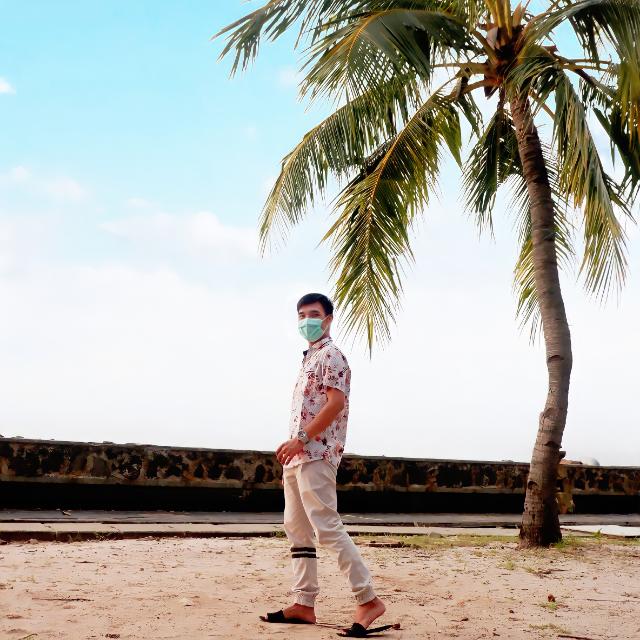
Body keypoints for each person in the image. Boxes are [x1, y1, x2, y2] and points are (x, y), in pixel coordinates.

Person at [259, 292, 387, 636]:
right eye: (301, 315)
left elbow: (335, 404)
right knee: (297, 528)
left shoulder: (332, 355)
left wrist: (300, 440)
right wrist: (293, 450)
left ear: (328, 318)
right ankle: (303, 603)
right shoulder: (309, 359)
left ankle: (368, 599)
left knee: (327, 527)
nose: (307, 321)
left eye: (313, 314)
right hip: (298, 456)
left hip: (317, 453)